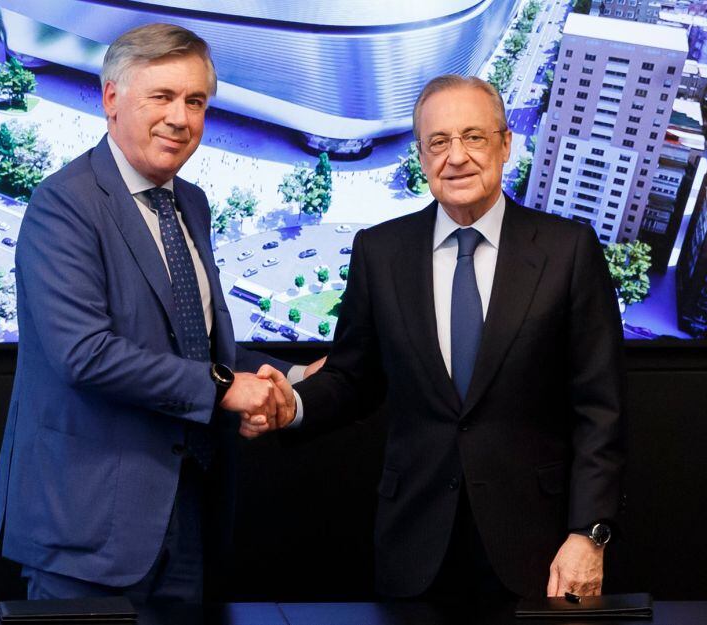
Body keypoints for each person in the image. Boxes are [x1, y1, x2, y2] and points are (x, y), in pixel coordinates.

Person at [250, 74, 625, 601]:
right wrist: (293, 405)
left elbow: (600, 411)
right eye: (439, 142)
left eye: (474, 137)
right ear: (422, 158)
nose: (457, 157)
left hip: (539, 547)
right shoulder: (380, 251)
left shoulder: (569, 251)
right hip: (413, 542)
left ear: (505, 144)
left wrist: (589, 534)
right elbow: (354, 378)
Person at [0, 23, 305, 603]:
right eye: (161, 96)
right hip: (86, 530)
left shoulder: (192, 203)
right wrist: (226, 389)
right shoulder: (64, 204)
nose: (180, 118)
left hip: (187, 516)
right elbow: (84, 354)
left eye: (195, 101)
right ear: (111, 98)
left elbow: (194, 344)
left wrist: (295, 376)